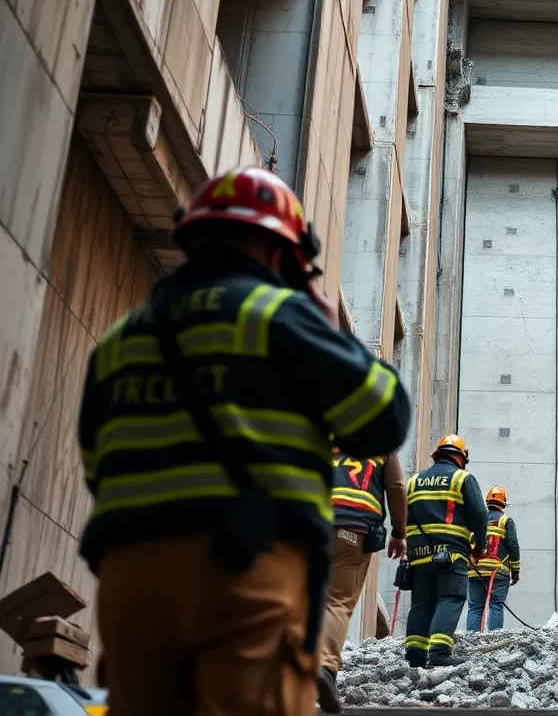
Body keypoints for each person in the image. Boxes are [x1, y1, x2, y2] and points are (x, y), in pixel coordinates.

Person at [77, 167, 411, 716]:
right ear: (285, 255)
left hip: (130, 573)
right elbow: (382, 418)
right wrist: (324, 328)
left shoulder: (123, 339)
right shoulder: (280, 318)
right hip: (245, 567)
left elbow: (99, 459)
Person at [317, 450, 408, 712]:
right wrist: (399, 533)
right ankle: (324, 668)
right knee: (337, 602)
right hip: (352, 531)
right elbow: (396, 485)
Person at [403, 435, 489, 667]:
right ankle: (440, 653)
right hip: (450, 554)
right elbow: (480, 514)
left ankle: (415, 653)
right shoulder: (462, 478)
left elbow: (406, 518)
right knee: (451, 597)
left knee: (422, 603)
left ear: (436, 455)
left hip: (418, 555)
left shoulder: (414, 481)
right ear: (462, 458)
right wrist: (479, 547)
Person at [466, 485, 521, 632]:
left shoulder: (475, 521)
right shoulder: (505, 521)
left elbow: (466, 544)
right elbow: (513, 546)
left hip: (475, 571)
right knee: (496, 604)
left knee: (475, 607)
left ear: (487, 502)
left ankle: (471, 638)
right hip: (498, 571)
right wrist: (515, 571)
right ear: (503, 504)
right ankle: (494, 636)